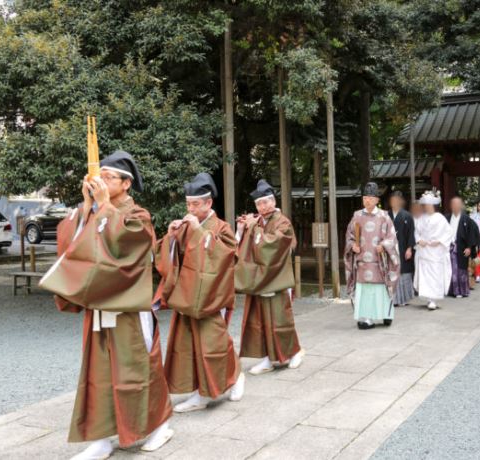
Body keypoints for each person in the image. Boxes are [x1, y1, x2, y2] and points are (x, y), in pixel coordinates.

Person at [39, 151, 173, 460]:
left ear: (126, 184)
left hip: (128, 307)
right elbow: (72, 246)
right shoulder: (94, 211)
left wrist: (105, 208)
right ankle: (101, 437)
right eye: (99, 178)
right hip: (100, 304)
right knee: (98, 371)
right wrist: (88, 207)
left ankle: (158, 425)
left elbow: (131, 246)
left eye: (109, 178)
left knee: (137, 368)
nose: (101, 183)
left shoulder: (138, 215)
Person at [154, 173, 245, 413]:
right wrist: (171, 238)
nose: (191, 209)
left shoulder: (221, 227)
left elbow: (228, 255)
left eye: (195, 204)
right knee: (189, 345)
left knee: (214, 342)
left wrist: (199, 233)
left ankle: (234, 377)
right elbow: (170, 257)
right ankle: (198, 390)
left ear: (208, 203)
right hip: (187, 295)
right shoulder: (187, 226)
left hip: (210, 296)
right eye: (188, 204)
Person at [235, 179, 305, 375]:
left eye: (266, 202)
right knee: (262, 320)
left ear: (274, 202)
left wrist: (254, 229)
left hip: (277, 278)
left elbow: (274, 245)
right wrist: (242, 230)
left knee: (281, 319)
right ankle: (268, 357)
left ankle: (295, 352)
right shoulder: (257, 222)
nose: (263, 206)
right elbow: (244, 249)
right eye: (259, 204)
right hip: (260, 279)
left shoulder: (282, 222)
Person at [343, 182, 400, 329]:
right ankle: (366, 318)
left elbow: (391, 237)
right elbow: (349, 236)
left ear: (377, 200)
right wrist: (352, 246)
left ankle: (386, 315)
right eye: (365, 198)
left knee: (380, 290)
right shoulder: (357, 216)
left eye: (370, 198)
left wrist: (384, 245)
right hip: (362, 261)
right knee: (365, 290)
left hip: (379, 262)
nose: (367, 201)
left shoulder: (384, 217)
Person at [413, 190, 452, 310]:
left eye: (429, 205)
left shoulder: (440, 218)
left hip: (436, 251)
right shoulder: (421, 218)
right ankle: (428, 298)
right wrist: (419, 240)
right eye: (425, 205)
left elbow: (448, 233)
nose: (427, 207)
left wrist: (439, 241)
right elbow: (416, 232)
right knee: (425, 275)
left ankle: (433, 299)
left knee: (435, 275)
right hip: (424, 250)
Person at [446, 196, 480, 298]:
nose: (455, 206)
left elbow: (472, 234)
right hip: (449, 248)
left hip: (461, 248)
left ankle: (461, 291)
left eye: (457, 204)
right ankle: (452, 290)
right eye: (453, 204)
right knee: (451, 270)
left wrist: (469, 247)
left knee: (461, 270)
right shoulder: (447, 218)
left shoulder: (467, 219)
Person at [388, 191, 415, 306]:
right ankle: (393, 299)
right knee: (391, 271)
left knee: (403, 272)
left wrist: (409, 248)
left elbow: (411, 233)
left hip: (403, 247)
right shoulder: (386, 215)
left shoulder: (407, 216)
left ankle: (403, 299)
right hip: (390, 248)